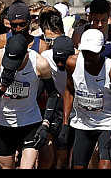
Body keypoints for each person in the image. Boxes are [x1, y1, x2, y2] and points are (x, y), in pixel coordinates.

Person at [0, 33, 60, 169]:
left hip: (30, 121)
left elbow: (53, 95)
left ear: (27, 54)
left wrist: (45, 124)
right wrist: (2, 87)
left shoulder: (40, 63)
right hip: (4, 122)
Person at [64, 28, 111, 169]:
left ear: (102, 50)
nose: (88, 56)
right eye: (85, 52)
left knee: (105, 167)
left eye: (93, 53)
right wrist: (65, 123)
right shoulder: (72, 63)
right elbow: (69, 92)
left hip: (106, 124)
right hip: (83, 123)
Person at [41, 34, 75, 168]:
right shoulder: (45, 57)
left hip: (76, 107)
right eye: (57, 60)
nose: (60, 64)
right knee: (57, 150)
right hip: (56, 106)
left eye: (63, 60)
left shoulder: (81, 60)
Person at [73, 0, 111, 66]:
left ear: (108, 15)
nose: (100, 24)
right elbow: (73, 60)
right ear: (90, 16)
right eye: (96, 20)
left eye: (103, 20)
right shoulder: (79, 33)